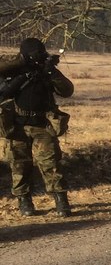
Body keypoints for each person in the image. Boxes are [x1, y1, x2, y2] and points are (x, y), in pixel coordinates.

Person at [0, 38, 75, 217]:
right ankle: (24, 201)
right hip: (16, 125)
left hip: (43, 124)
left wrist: (51, 71)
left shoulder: (46, 70)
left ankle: (60, 200)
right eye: (33, 54)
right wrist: (23, 66)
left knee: (51, 164)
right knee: (19, 165)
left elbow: (67, 90)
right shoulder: (13, 69)